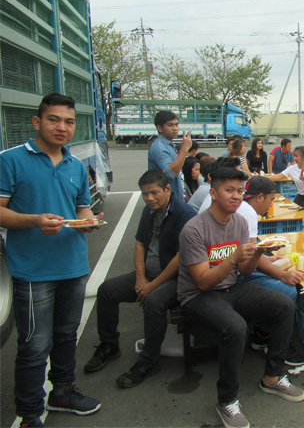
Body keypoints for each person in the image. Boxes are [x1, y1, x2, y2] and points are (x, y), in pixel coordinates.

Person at [0, 93, 103, 427]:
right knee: (33, 345)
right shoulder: (11, 160)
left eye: (69, 122)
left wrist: (88, 221)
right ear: (37, 122)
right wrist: (33, 221)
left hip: (73, 266)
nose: (62, 127)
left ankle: (62, 391)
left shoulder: (75, 165)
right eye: (54, 120)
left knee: (66, 335)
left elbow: (81, 207)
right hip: (33, 271)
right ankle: (30, 413)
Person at [178, 166, 304, 428]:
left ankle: (272, 377)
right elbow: (202, 282)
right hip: (198, 296)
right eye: (229, 190)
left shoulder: (238, 222)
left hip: (230, 287)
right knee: (235, 328)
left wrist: (259, 251)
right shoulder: (194, 230)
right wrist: (234, 257)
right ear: (213, 193)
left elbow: (244, 270)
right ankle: (226, 401)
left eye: (239, 191)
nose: (236, 196)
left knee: (283, 304)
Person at [84, 170, 196, 388]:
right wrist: (140, 279)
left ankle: (149, 360)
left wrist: (152, 286)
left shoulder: (184, 214)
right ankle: (109, 345)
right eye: (145, 194)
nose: (149, 198)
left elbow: (180, 257)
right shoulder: (149, 211)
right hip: (150, 276)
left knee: (153, 302)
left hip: (179, 279)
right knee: (107, 290)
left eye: (154, 193)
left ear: (167, 189)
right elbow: (139, 244)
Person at [234, 176, 304, 366]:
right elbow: (250, 259)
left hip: (235, 268)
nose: (271, 204)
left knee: (276, 269)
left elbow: (251, 250)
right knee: (288, 289)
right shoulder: (248, 213)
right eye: (271, 199)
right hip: (234, 276)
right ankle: (276, 343)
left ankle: (261, 333)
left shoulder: (242, 207)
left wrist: (266, 258)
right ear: (259, 197)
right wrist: (282, 274)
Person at [148, 110, 192, 199]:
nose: (175, 128)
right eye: (170, 125)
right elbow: (170, 173)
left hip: (175, 197)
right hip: (167, 201)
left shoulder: (169, 144)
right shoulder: (159, 146)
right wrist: (184, 149)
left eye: (176, 124)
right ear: (159, 128)